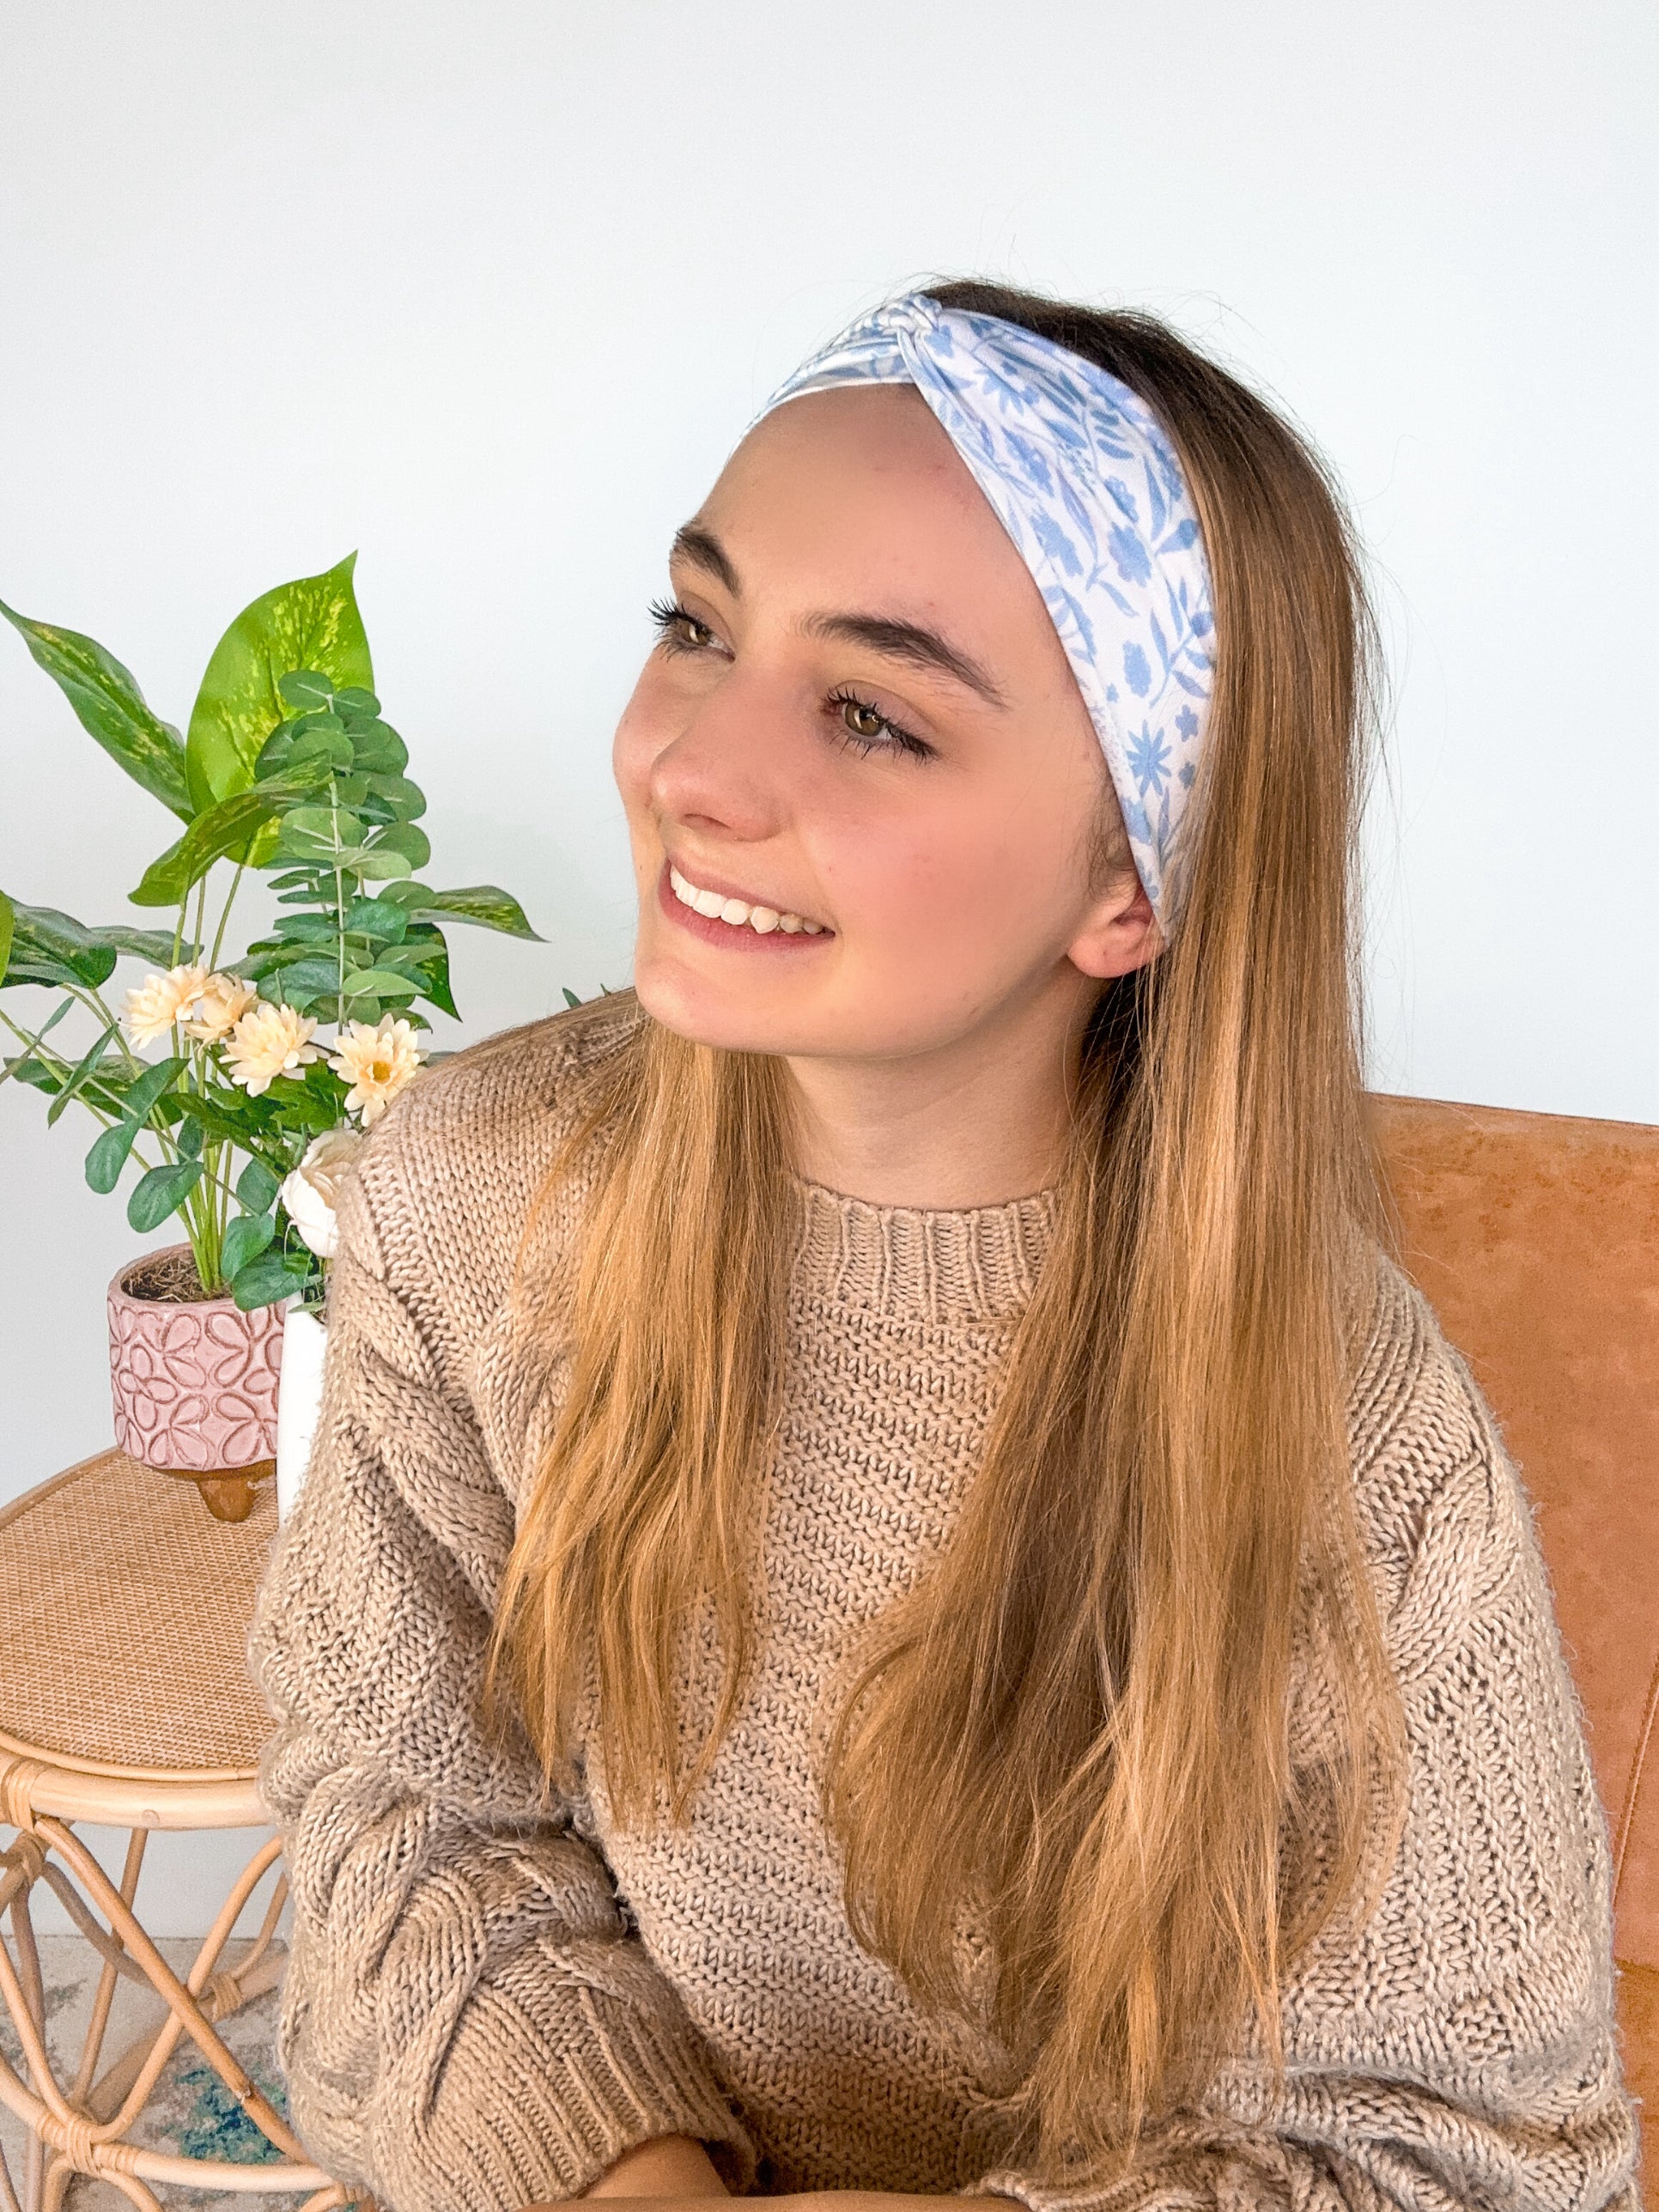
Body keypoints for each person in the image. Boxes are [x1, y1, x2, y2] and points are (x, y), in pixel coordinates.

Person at [247, 280, 1641, 2212]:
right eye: (698, 624)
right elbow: (404, 1808)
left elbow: (1471, 2155)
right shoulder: (459, 1204)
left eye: (874, 715)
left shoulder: (1360, 1447)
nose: (692, 772)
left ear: (1130, 880)